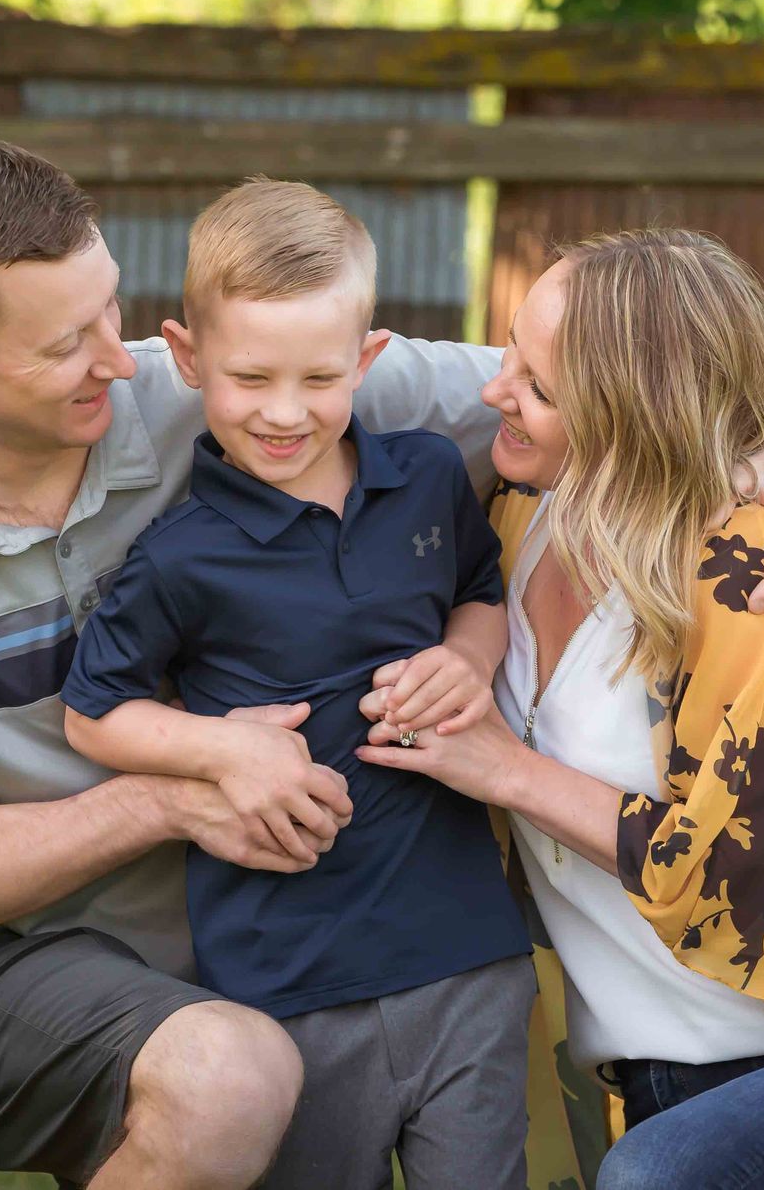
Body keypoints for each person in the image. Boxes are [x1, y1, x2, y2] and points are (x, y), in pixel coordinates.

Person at [0, 133, 764, 1189]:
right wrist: (178, 793)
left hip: (277, 944)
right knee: (228, 1077)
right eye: (65, 346)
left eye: (108, 308)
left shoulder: (245, 385)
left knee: (258, 1071)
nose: (120, 358)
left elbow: (620, 390)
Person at [354, 228, 764, 1190]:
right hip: (635, 1080)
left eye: (540, 386)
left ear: (634, 416)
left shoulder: (750, 569)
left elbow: (748, 874)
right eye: (509, 347)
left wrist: (502, 765)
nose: (498, 389)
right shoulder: (513, 513)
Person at [61, 179, 537, 1190]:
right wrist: (218, 745)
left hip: (465, 951)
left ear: (367, 360)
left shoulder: (427, 477)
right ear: (187, 360)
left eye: (321, 378)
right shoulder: (179, 557)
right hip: (287, 979)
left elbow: (479, 590)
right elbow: (94, 713)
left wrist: (471, 659)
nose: (285, 413)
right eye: (248, 378)